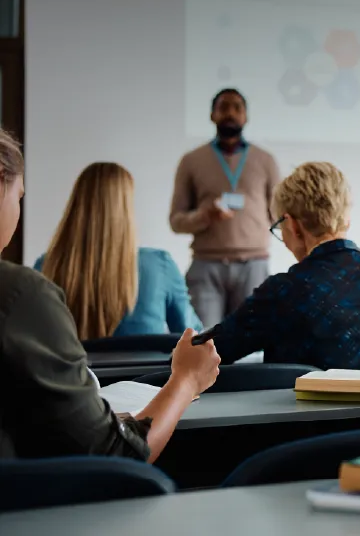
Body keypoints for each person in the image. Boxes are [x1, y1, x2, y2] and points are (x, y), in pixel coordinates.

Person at [0, 130, 220, 461]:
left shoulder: (47, 265)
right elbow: (192, 337)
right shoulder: (22, 293)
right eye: (19, 196)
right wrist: (187, 379)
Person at [209, 161, 360, 369]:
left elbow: (207, 354)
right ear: (346, 218)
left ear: (292, 225)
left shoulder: (283, 291)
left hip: (306, 416)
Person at [34, 162, 203, 340]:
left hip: (74, 369)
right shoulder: (160, 266)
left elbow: (34, 338)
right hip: (146, 369)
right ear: (126, 209)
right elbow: (193, 336)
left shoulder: (46, 267)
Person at [170, 88, 281, 327]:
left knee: (252, 345)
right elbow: (176, 221)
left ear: (246, 117)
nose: (230, 113)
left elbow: (280, 214)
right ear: (212, 115)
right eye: (223, 107)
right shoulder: (191, 161)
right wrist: (204, 216)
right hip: (206, 266)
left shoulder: (265, 160)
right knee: (203, 343)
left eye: (237, 107)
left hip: (254, 265)